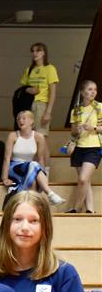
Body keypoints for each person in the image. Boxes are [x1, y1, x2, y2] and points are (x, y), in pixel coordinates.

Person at [1, 110, 66, 204]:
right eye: (18, 119)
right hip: (15, 167)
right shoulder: (13, 135)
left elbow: (40, 158)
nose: (20, 121)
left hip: (31, 167)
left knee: (34, 179)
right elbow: (6, 158)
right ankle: (50, 194)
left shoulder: (39, 137)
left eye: (24, 118)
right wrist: (4, 178)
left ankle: (31, 205)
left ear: (31, 121)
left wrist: (43, 175)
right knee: (34, 165)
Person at [66, 79, 100, 214]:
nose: (93, 92)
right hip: (79, 147)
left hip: (94, 147)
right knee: (86, 181)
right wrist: (77, 129)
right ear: (82, 92)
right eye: (90, 89)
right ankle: (90, 209)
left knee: (83, 178)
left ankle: (76, 207)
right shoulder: (76, 110)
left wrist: (93, 128)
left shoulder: (99, 107)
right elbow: (73, 132)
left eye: (95, 89)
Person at [19, 42, 59, 136]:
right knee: (27, 135)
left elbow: (53, 92)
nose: (35, 53)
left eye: (38, 51)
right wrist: (28, 90)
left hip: (41, 104)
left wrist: (48, 112)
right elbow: (22, 88)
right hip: (28, 103)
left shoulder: (50, 68)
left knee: (40, 136)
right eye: (33, 51)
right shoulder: (29, 69)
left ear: (44, 53)